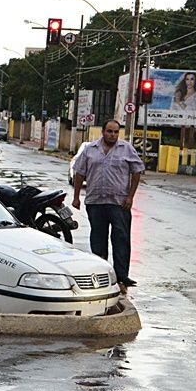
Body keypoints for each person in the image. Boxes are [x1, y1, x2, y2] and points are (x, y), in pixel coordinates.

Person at [71, 119, 144, 294]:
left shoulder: (126, 149)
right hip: (95, 202)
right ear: (103, 132)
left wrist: (130, 196)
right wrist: (76, 197)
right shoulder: (90, 150)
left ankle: (121, 278)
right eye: (109, 131)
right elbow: (79, 173)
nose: (112, 135)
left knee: (121, 239)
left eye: (116, 132)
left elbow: (137, 171)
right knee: (98, 239)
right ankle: (101, 276)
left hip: (119, 203)